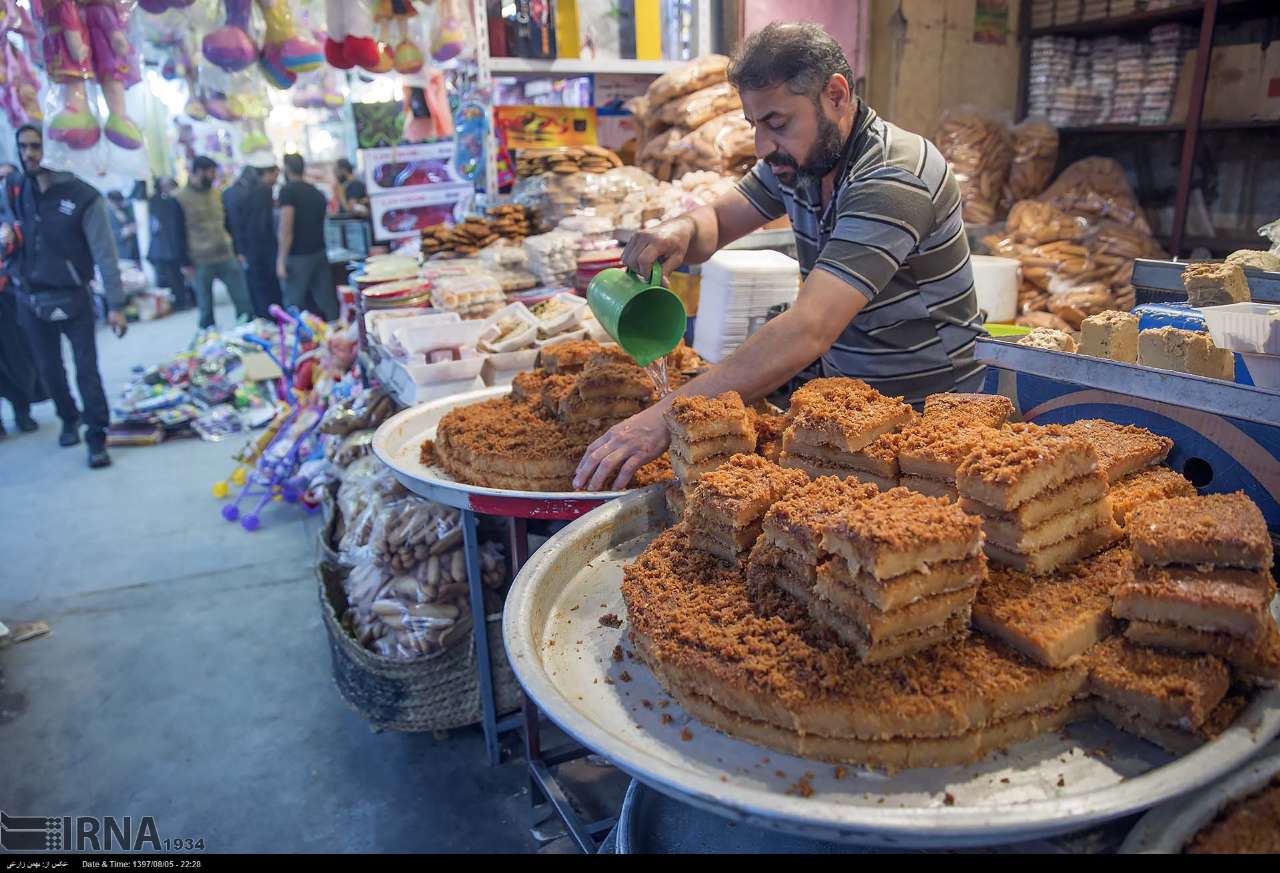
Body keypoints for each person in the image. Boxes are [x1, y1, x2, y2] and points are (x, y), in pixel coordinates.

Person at [574, 23, 986, 491]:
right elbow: (719, 220)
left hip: (931, 422)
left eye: (777, 123)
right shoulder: (801, 159)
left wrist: (664, 417)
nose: (763, 146)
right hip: (857, 413)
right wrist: (680, 230)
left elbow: (808, 329)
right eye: (754, 125)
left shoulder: (893, 177)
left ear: (835, 95)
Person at [0, 125, 128, 468]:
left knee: (87, 369)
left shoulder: (84, 196)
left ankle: (96, 435)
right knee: (49, 369)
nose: (30, 154)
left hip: (74, 296)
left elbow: (105, 254)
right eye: (24, 147)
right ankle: (68, 417)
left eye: (37, 147)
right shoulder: (13, 190)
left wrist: (116, 304)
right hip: (29, 297)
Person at [175, 155, 253, 329]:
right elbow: (177, 232)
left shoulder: (217, 194)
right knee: (206, 308)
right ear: (197, 172)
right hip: (200, 259)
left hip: (226, 253)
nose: (213, 176)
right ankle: (208, 342)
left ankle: (248, 334)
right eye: (210, 173)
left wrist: (238, 250)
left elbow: (228, 223)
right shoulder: (180, 198)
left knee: (243, 300)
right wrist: (184, 263)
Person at [0, 162, 46, 439]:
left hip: (11, 297)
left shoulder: (22, 211)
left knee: (18, 358)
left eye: (5, 178)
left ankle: (22, 410)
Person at [277, 153, 338, 319]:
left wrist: (281, 260)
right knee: (326, 300)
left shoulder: (287, 192)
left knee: (292, 303)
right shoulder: (316, 192)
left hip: (298, 256)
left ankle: (293, 339)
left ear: (287, 169)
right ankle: (338, 333)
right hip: (319, 251)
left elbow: (286, 228)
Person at [224, 157, 282, 318]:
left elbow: (230, 224)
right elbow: (266, 224)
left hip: (246, 250)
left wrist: (239, 249)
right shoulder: (263, 190)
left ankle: (262, 322)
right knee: (272, 290)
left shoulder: (230, 193)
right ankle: (276, 320)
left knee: (255, 291)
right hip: (265, 248)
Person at [147, 177, 195, 311]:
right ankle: (179, 302)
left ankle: (175, 303)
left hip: (161, 249)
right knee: (175, 279)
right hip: (170, 249)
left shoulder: (155, 202)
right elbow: (177, 228)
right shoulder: (169, 202)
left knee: (170, 279)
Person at [105, 191, 140, 262]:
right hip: (118, 254)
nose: (118, 205)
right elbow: (105, 236)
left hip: (133, 252)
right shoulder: (105, 214)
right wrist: (122, 233)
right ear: (109, 201)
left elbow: (133, 223)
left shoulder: (126, 209)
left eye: (120, 203)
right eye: (116, 203)